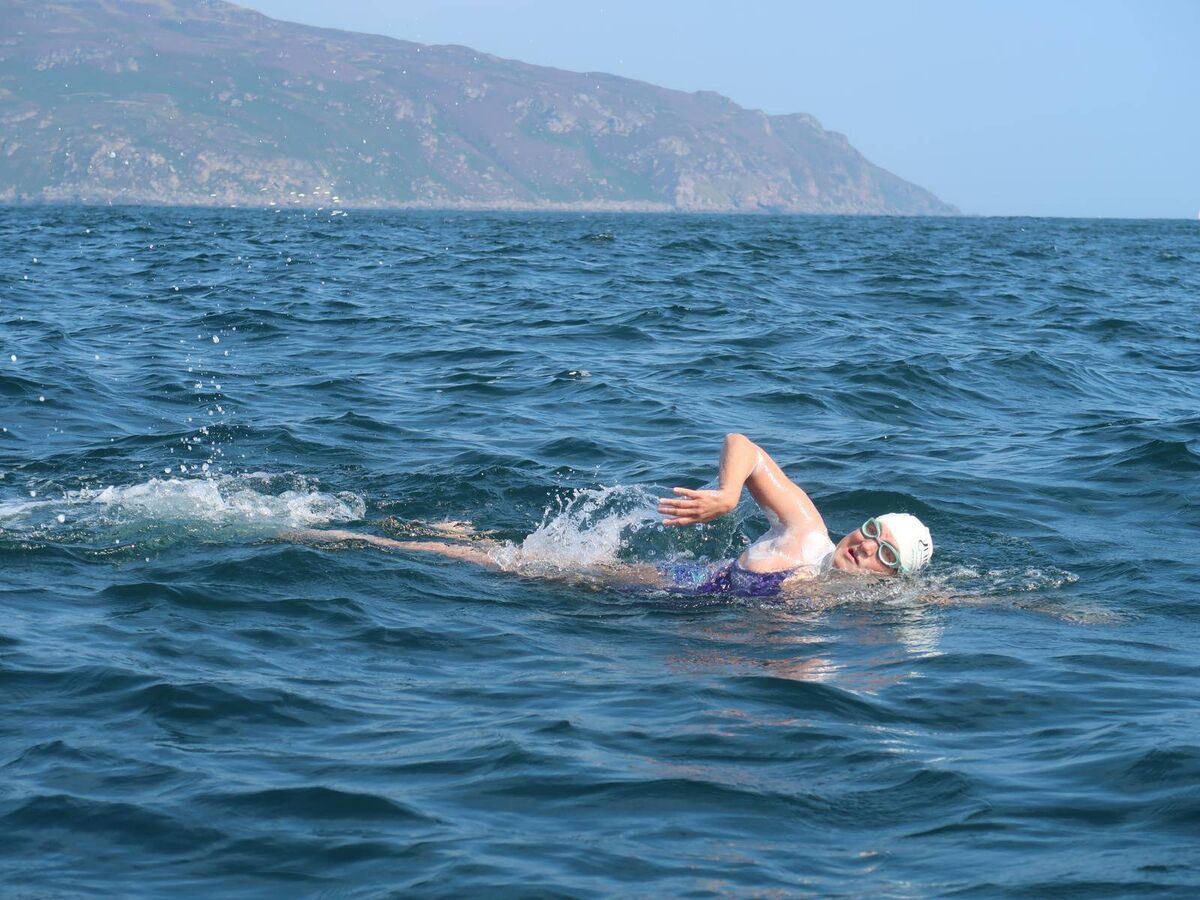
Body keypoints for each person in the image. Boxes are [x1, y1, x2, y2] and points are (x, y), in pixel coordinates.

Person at [286, 433, 933, 597]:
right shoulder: (808, 534)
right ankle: (348, 537)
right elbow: (744, 445)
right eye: (871, 529)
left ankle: (417, 535)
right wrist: (730, 494)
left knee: (511, 563)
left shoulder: (855, 609)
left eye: (884, 551)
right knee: (501, 568)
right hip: (647, 588)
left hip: (669, 631)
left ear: (893, 578)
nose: (865, 544)